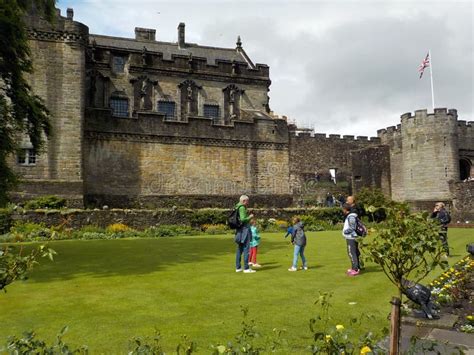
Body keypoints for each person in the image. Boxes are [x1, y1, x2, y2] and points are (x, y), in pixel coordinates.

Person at [234, 195, 255, 273]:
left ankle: (238, 267)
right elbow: (243, 219)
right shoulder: (242, 207)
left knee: (239, 249)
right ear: (243, 201)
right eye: (247, 201)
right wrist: (250, 217)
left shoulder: (237, 207)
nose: (248, 203)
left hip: (239, 231)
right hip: (244, 230)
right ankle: (246, 268)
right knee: (246, 249)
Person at [342, 203, 361, 276]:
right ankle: (355, 267)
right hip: (352, 237)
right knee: (355, 252)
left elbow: (352, 227)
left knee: (351, 253)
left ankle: (355, 269)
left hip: (351, 237)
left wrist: (345, 231)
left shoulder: (351, 216)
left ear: (345, 209)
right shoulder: (351, 216)